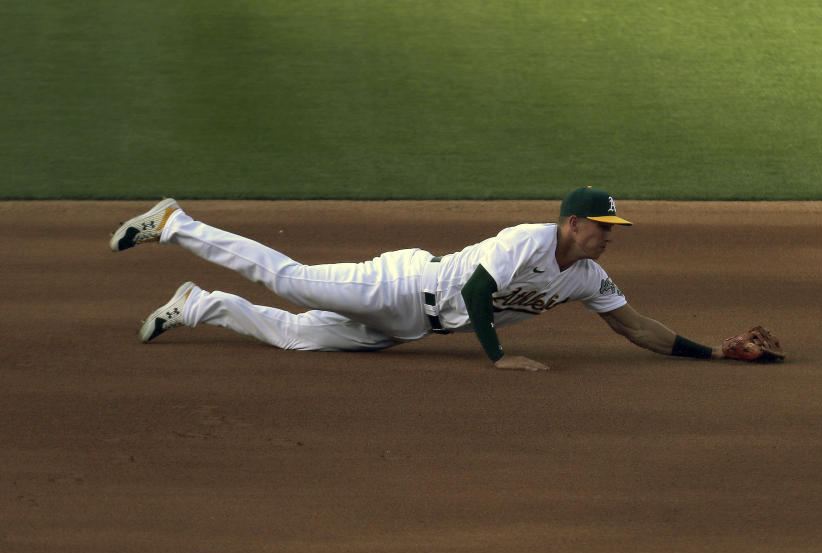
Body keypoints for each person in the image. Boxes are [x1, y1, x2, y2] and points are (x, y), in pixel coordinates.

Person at [109, 187, 732, 371]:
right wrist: (499, 357)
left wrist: (715, 353)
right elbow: (480, 294)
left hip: (409, 326)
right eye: (601, 225)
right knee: (292, 281)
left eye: (611, 227)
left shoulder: (587, 277)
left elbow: (635, 327)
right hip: (404, 287)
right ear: (572, 223)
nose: (609, 234)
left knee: (300, 336)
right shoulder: (528, 239)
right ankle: (176, 222)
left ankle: (198, 305)